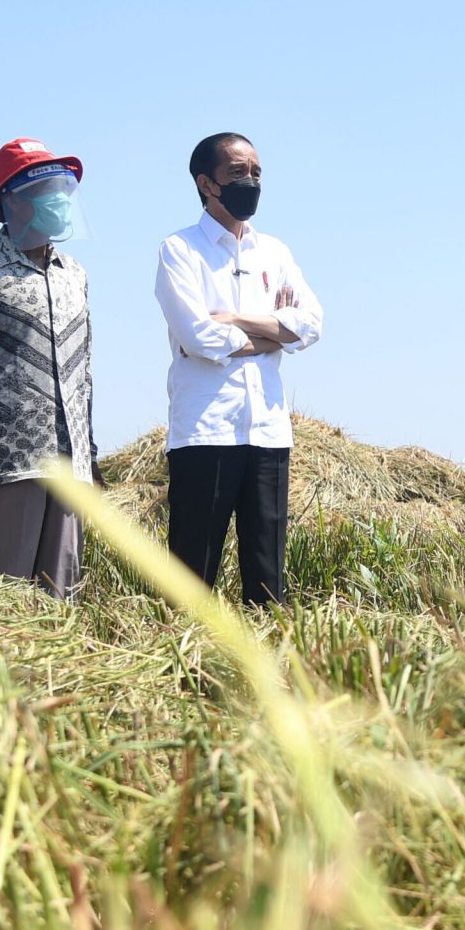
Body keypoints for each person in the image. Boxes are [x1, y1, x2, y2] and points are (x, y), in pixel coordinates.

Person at [154, 132, 323, 605]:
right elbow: (198, 338)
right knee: (192, 578)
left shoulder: (275, 252)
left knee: (268, 584)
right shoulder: (180, 250)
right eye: (237, 173)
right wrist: (275, 334)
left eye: (256, 172)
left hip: (268, 430)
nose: (250, 181)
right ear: (206, 184)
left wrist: (234, 320)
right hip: (205, 429)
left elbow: (311, 324)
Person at [0, 139, 98, 597]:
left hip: (69, 463)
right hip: (6, 462)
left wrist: (90, 454)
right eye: (47, 191)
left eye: (61, 190)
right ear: (14, 201)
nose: (59, 201)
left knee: (59, 599)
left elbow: (83, 372)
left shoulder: (74, 273)